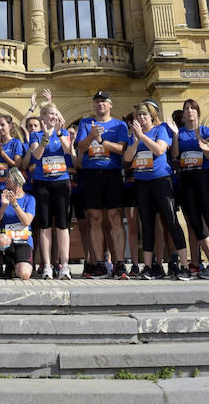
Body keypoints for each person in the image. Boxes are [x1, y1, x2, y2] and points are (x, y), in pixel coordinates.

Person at [124, 99, 192, 280]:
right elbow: (128, 157)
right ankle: (149, 266)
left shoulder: (161, 129)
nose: (141, 117)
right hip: (141, 181)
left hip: (161, 179)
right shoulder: (134, 134)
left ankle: (184, 265)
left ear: (152, 116)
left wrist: (143, 137)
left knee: (171, 221)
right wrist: (136, 138)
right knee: (146, 224)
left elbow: (160, 150)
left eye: (144, 114)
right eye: (138, 115)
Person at [74, 91, 128, 279]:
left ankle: (119, 263)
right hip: (91, 175)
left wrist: (102, 140)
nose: (100, 105)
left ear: (110, 105)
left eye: (103, 102)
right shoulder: (85, 123)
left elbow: (122, 149)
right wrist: (91, 136)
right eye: (97, 102)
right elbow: (80, 148)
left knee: (115, 217)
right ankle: (98, 263)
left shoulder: (119, 125)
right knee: (94, 218)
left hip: (111, 173)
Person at [27, 94, 74, 279]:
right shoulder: (35, 134)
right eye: (50, 114)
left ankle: (65, 266)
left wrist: (60, 132)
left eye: (56, 114)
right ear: (43, 116)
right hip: (42, 182)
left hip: (61, 181)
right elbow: (37, 155)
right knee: (45, 225)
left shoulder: (63, 133)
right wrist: (45, 137)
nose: (53, 117)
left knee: (62, 225)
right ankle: (46, 265)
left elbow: (68, 150)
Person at [174, 99, 209, 278]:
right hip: (186, 177)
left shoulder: (206, 131)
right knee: (193, 220)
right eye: (187, 109)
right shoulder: (179, 133)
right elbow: (175, 155)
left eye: (193, 108)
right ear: (184, 113)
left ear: (198, 113)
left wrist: (205, 146)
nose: (190, 111)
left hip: (204, 176)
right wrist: (175, 136)